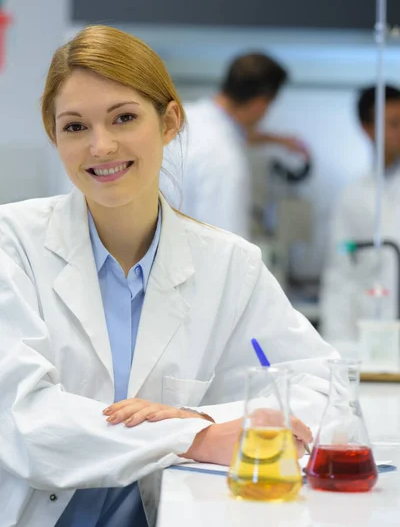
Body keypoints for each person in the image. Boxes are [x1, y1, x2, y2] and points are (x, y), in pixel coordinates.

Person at [0, 26, 337, 527]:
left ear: (169, 121)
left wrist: (201, 418)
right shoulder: (13, 244)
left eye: (125, 118)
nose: (101, 146)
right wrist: (194, 438)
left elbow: (325, 390)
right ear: (54, 136)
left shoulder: (229, 265)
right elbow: (22, 421)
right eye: (75, 127)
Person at [162, 52, 309, 240]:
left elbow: (236, 132)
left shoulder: (181, 120)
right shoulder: (225, 158)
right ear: (260, 103)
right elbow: (227, 247)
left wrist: (277, 140)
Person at [320, 84, 400, 343]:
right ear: (368, 128)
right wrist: (338, 344)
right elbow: (340, 275)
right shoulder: (352, 196)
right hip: (374, 336)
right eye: (394, 123)